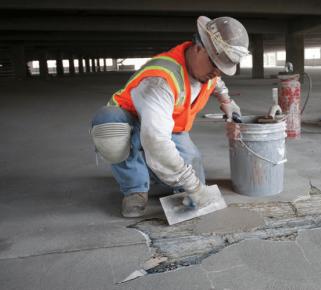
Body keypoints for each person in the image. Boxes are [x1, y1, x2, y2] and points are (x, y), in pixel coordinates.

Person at [90, 16, 249, 217]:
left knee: (190, 173)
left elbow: (216, 82)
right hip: (131, 122)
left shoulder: (207, 70)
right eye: (216, 64)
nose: (217, 72)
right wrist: (193, 187)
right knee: (112, 126)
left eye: (222, 68)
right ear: (199, 47)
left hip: (170, 126)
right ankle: (135, 190)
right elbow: (156, 140)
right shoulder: (160, 80)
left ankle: (154, 175)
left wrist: (226, 101)